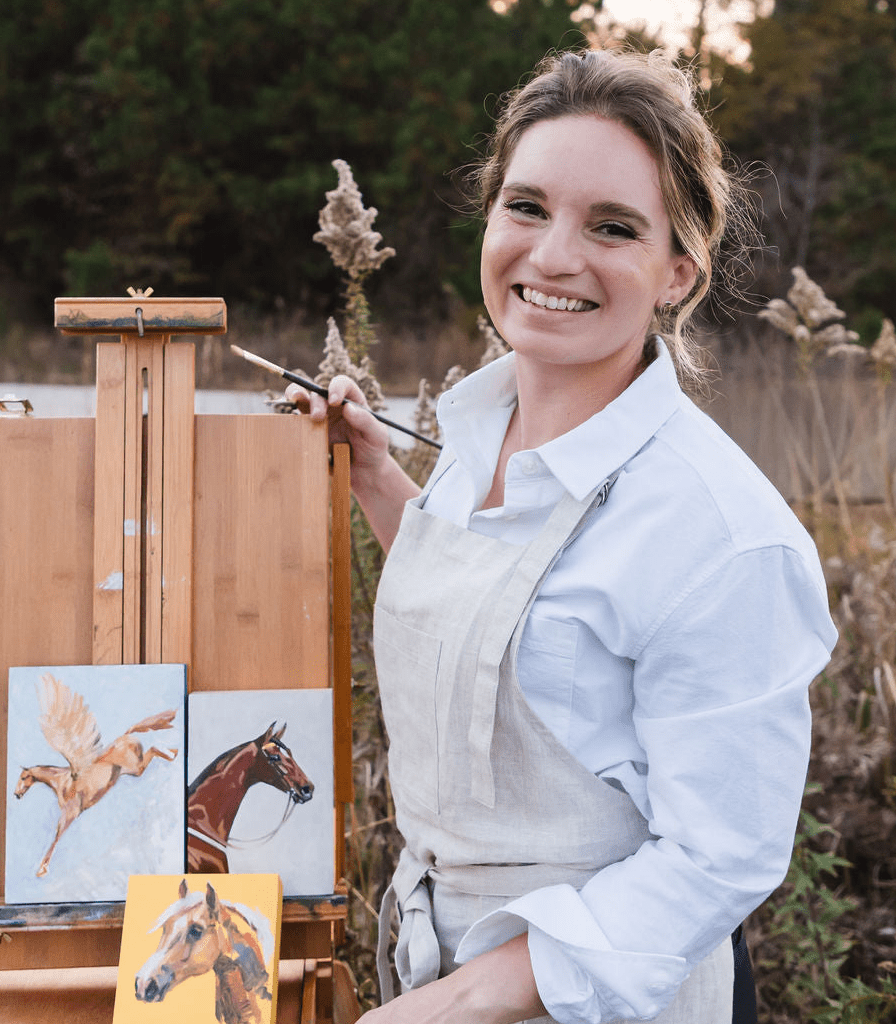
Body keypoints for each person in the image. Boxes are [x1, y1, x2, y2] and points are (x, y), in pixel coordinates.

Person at [288, 46, 837, 1024]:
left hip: (606, 1000)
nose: (551, 256)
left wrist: (460, 1003)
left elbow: (719, 857)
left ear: (677, 272)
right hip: (437, 972)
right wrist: (378, 479)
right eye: (527, 207)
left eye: (612, 226)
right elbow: (504, 617)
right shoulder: (475, 437)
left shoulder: (721, 533)